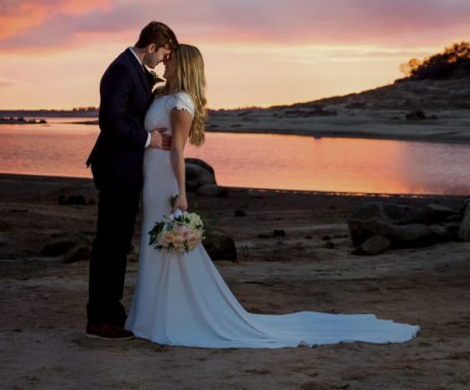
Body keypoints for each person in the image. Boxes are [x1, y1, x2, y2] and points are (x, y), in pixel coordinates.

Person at [125, 44, 420, 348]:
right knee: (156, 242)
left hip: (166, 180)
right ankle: (153, 314)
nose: (165, 61)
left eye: (171, 58)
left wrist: (182, 194)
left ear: (184, 65)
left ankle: (168, 316)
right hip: (153, 178)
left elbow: (178, 150)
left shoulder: (181, 101)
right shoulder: (162, 95)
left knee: (167, 244)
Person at [85, 21, 178, 340]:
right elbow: (109, 121)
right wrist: (147, 139)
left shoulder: (135, 70)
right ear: (151, 46)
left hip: (125, 169)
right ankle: (100, 319)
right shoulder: (122, 70)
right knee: (110, 244)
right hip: (116, 168)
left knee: (117, 243)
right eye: (164, 54)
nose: (164, 62)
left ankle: (111, 313)